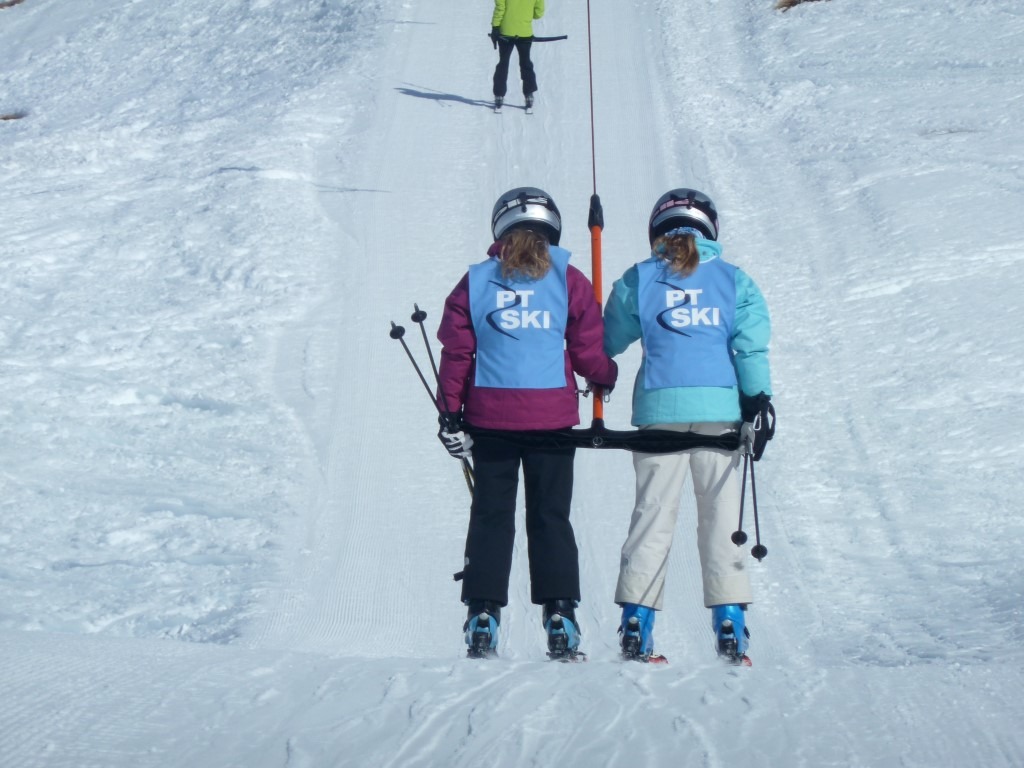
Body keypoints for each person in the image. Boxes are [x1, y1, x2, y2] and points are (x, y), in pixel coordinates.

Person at [436, 186, 618, 660]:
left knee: (491, 516)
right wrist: (606, 375)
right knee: (549, 516)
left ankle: (482, 614)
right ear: (551, 228)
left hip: (489, 417)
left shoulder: (475, 282)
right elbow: (586, 353)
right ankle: (560, 613)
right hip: (552, 420)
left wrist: (449, 413)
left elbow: (457, 353)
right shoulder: (569, 279)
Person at [602, 188, 775, 665]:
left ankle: (637, 620)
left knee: (653, 516)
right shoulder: (734, 281)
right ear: (709, 229)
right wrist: (758, 402)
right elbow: (751, 350)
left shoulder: (639, 279)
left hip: (659, 410)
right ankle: (730, 625)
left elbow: (608, 341)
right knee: (721, 519)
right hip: (719, 414)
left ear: (658, 229)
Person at [489, 0, 545, 111]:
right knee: (525, 62)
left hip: (506, 32)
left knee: (503, 63)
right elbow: (538, 13)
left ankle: (499, 95)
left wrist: (495, 26)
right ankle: (529, 94)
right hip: (525, 32)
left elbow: (500, 7)